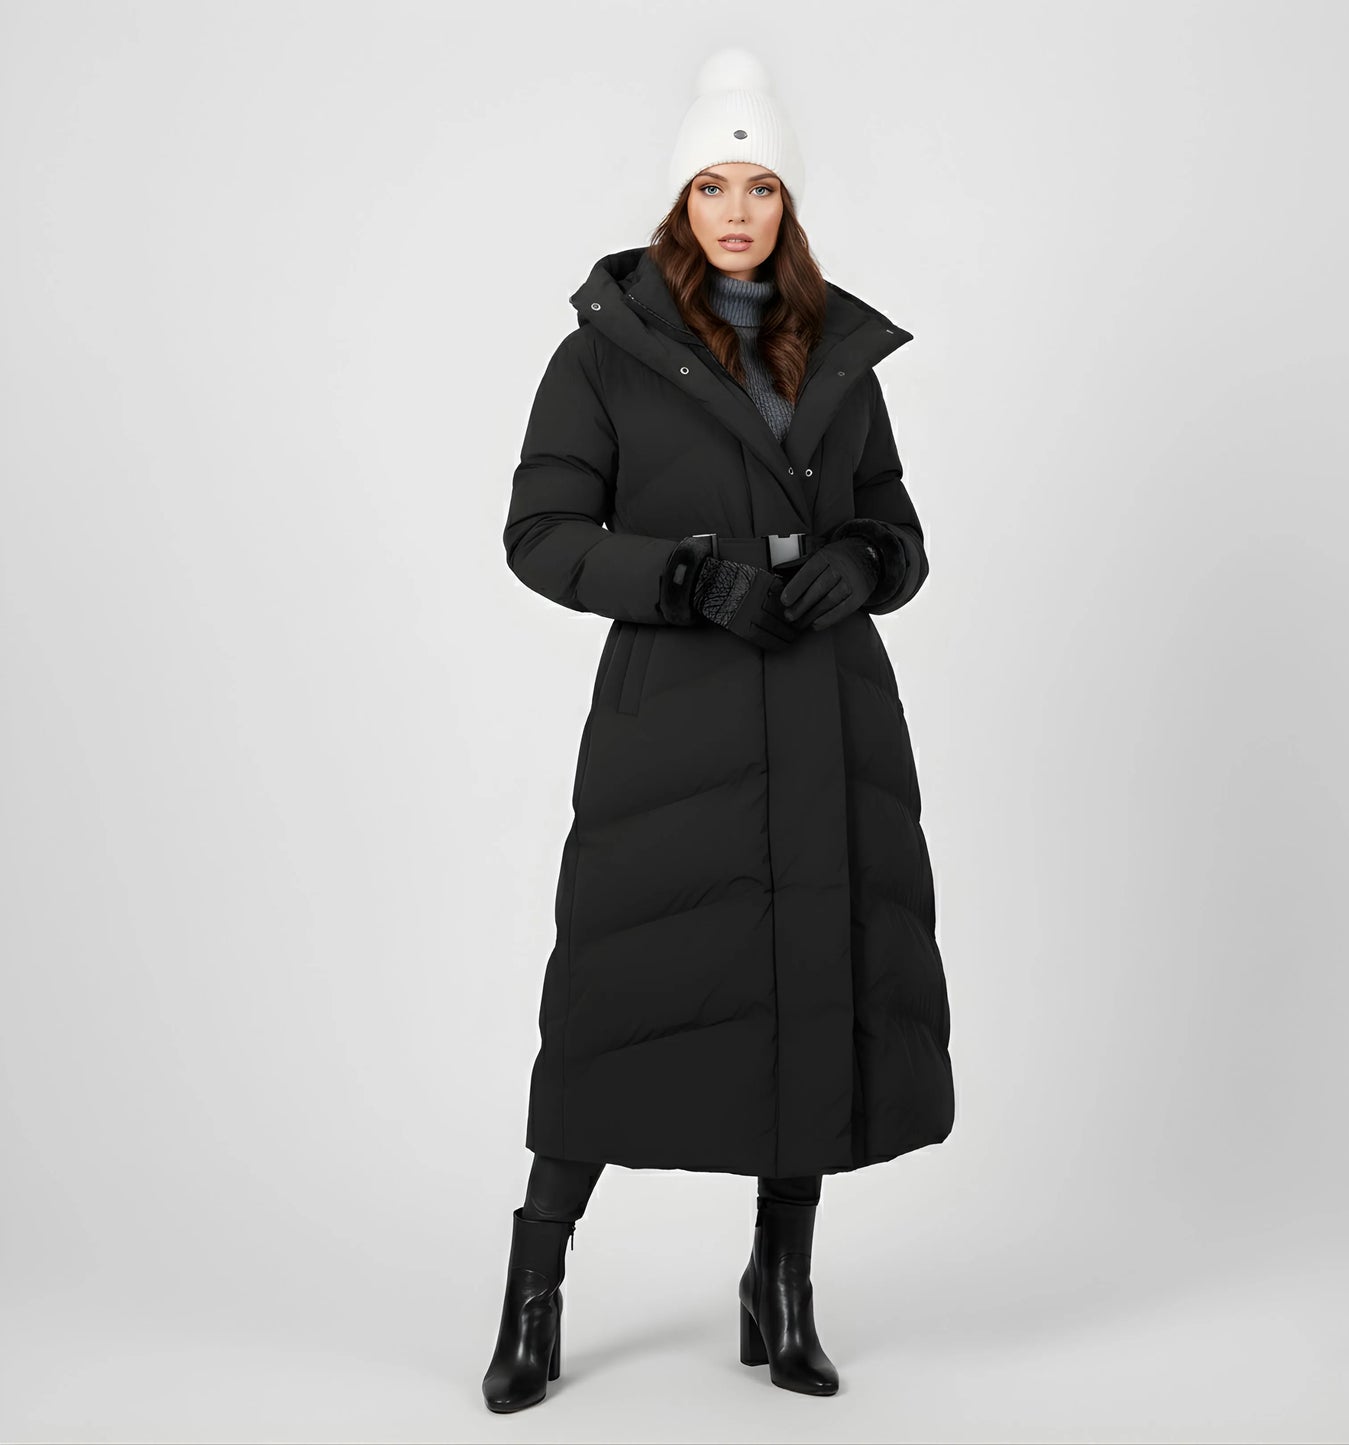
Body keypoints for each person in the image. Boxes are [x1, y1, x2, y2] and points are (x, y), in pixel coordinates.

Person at [484, 47, 953, 1412]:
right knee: (615, 1002)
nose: (736, 210)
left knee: (808, 987)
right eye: (711, 185)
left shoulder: (834, 353)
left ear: (787, 202)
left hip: (821, 707)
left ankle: (780, 1289)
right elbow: (540, 533)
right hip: (674, 723)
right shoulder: (603, 357)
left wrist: (864, 562)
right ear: (677, 199)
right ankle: (532, 1291)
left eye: (760, 186)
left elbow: (897, 525)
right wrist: (685, 577)